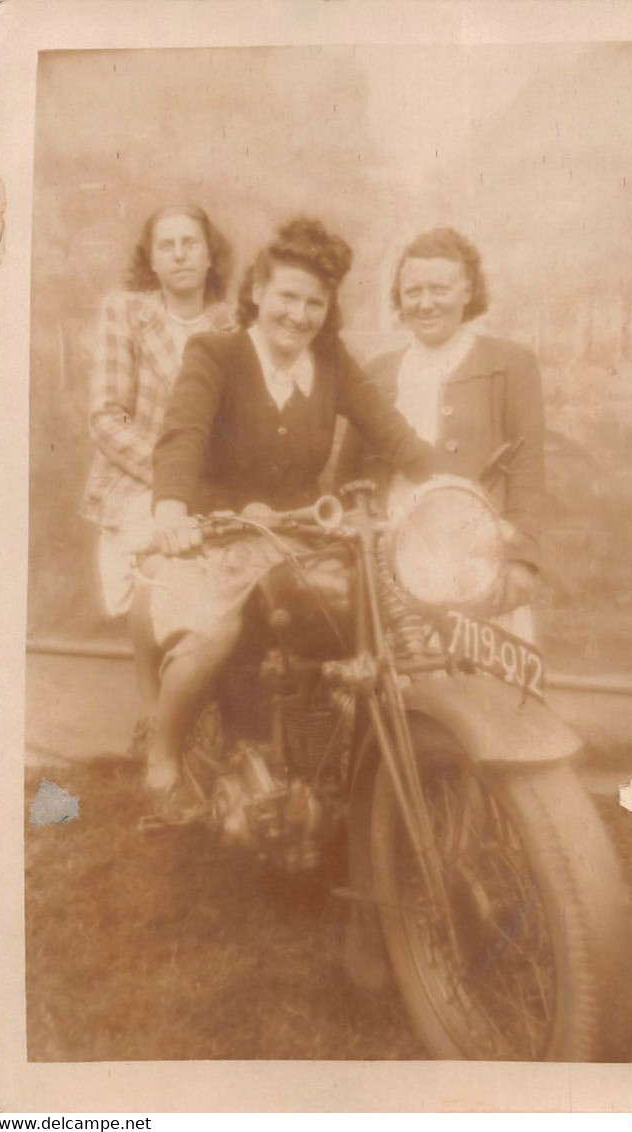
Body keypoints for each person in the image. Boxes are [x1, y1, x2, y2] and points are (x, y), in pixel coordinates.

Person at [141, 217, 434, 816]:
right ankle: (162, 754)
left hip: (298, 537)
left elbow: (395, 433)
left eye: (314, 303)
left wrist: (455, 490)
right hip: (213, 535)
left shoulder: (330, 362)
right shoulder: (216, 353)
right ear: (256, 294)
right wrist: (171, 509)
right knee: (214, 635)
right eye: (287, 298)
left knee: (364, 619)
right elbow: (182, 435)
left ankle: (342, 766)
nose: (299, 316)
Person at [80, 204, 234, 748]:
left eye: (190, 242)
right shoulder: (127, 314)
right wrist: (173, 476)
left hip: (214, 485)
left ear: (210, 254)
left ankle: (208, 711)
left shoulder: (230, 326)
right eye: (166, 245)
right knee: (159, 552)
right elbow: (107, 416)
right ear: (151, 258)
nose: (180, 254)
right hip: (139, 477)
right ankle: (153, 712)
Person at [336, 226, 545, 622]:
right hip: (386, 569)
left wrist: (521, 559)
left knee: (468, 681)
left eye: (440, 289)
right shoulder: (377, 374)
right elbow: (347, 479)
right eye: (413, 291)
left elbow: (528, 468)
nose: (425, 303)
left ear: (467, 291)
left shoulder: (510, 364)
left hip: (476, 565)